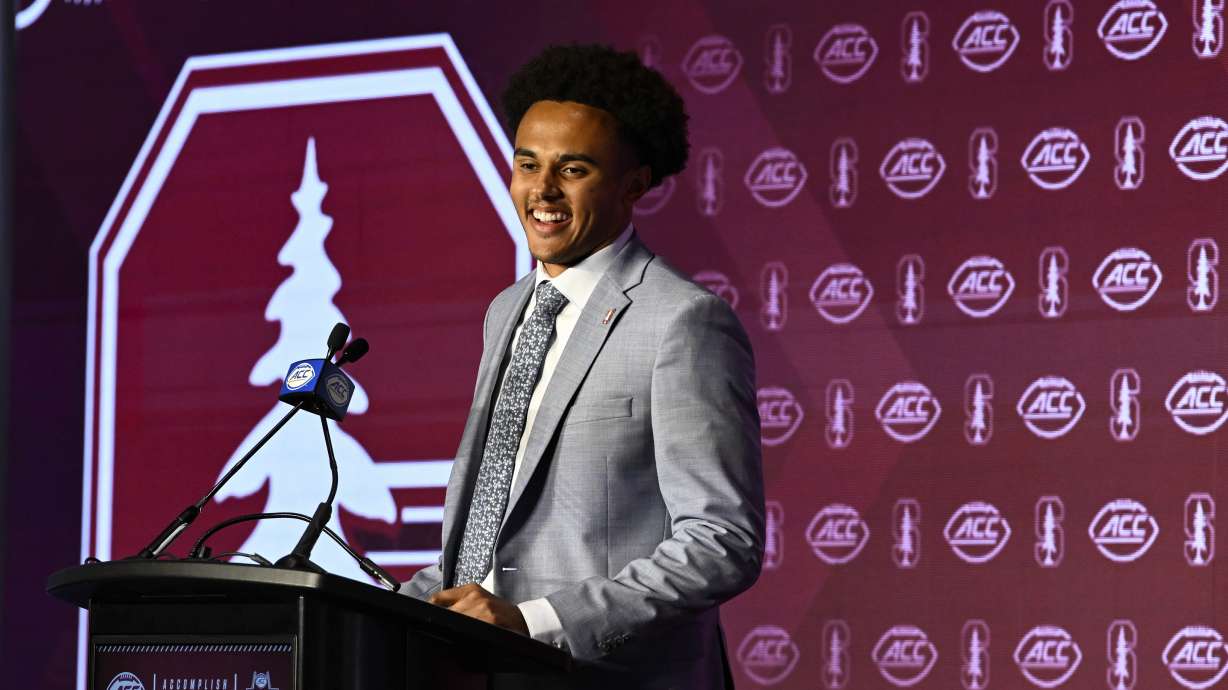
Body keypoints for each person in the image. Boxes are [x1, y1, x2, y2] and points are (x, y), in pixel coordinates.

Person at [401, 43, 764, 689]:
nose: (541, 191)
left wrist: (535, 620)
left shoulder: (683, 320)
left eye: (572, 169)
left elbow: (721, 541)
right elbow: (492, 529)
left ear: (634, 185)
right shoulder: (510, 309)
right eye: (527, 164)